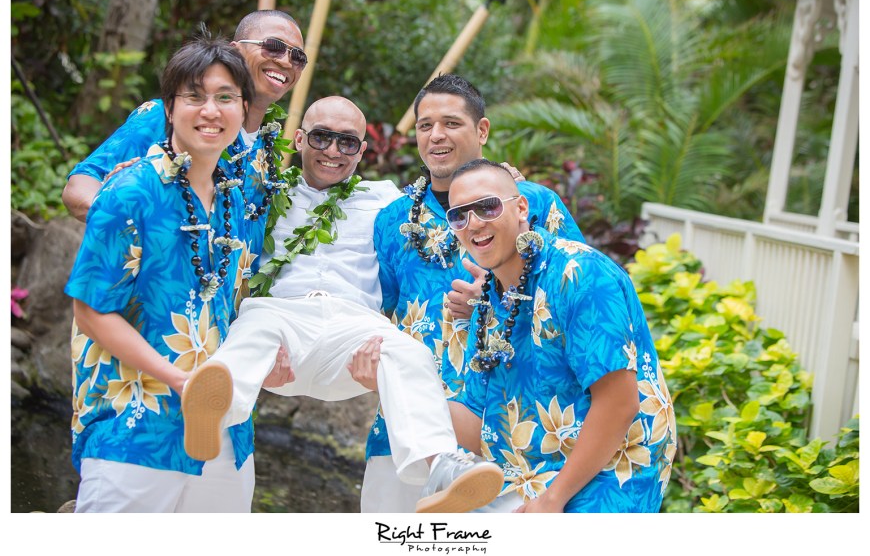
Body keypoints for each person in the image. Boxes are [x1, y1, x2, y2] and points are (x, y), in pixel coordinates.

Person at [181, 96, 504, 514]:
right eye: (321, 137)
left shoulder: (388, 200)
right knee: (253, 328)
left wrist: (502, 182)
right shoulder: (266, 195)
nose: (333, 150)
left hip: (354, 333)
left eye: (347, 142)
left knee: (409, 352)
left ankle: (441, 466)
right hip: (283, 325)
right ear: (300, 139)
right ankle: (210, 415)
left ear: (362, 150)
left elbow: (453, 201)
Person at [358, 73, 586, 512]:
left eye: (451, 123)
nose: (436, 135)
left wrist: (499, 290)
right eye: (425, 125)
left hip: (514, 432)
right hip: (406, 432)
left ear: (482, 130)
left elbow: (577, 295)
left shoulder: (534, 203)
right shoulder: (393, 219)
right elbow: (376, 311)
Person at [65, 35, 257, 512]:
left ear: (243, 108)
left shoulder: (234, 198)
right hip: (133, 427)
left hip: (225, 437)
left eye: (225, 97)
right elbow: (91, 312)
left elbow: (229, 306)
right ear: (169, 109)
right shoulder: (129, 191)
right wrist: (179, 380)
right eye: (194, 96)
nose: (210, 110)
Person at [447, 158, 677, 512]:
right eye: (459, 215)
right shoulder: (490, 298)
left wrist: (552, 500)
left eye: (487, 206)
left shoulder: (580, 274)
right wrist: (399, 383)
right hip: (533, 477)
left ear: (521, 208)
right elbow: (476, 422)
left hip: (612, 471)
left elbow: (619, 403)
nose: (474, 223)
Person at [62, 10, 306, 308]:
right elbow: (79, 188)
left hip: (223, 324)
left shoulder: (267, 152)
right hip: (150, 311)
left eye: (298, 57)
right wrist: (142, 224)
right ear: (234, 51)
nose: (286, 61)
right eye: (274, 46)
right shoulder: (170, 119)